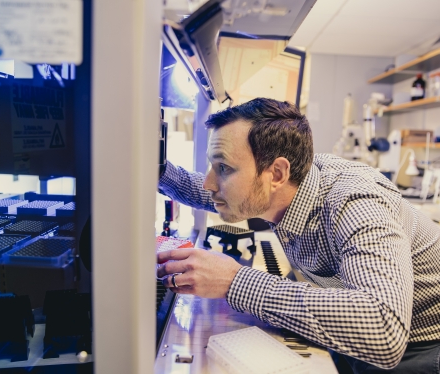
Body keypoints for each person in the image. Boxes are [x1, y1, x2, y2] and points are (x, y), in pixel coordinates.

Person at [156, 98, 440, 373]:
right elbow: (217, 192)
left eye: (224, 168)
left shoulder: (355, 202)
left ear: (277, 173)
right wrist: (157, 170)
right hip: (362, 337)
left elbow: (383, 329)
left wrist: (234, 281)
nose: (209, 182)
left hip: (422, 347)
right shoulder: (285, 186)